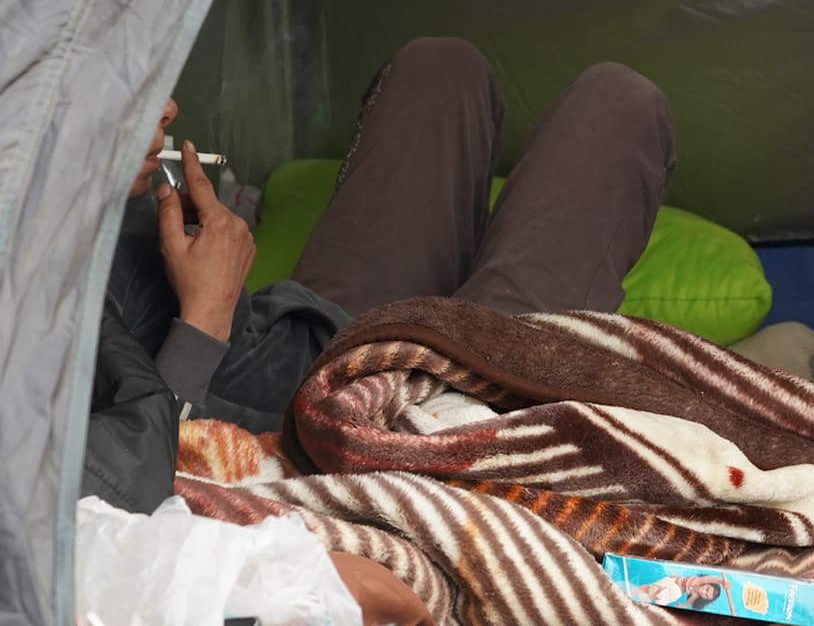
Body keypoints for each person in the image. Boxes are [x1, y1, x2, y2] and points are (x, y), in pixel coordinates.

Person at [106, 37, 675, 433]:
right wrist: (203, 315)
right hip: (360, 427)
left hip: (304, 336)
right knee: (622, 105)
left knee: (439, 67)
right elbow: (127, 470)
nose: (168, 108)